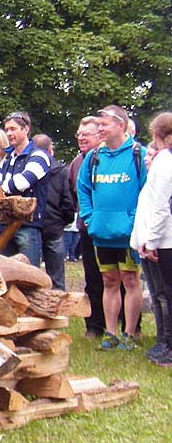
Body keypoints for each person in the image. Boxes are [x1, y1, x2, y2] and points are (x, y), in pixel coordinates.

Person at [77, 105, 146, 350]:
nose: (100, 129)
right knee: (109, 281)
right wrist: (88, 216)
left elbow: (146, 191)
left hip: (128, 234)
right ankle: (110, 333)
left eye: (104, 125)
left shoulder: (138, 154)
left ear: (120, 125)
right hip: (101, 232)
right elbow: (82, 188)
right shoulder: (95, 157)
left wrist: (134, 221)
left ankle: (129, 333)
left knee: (130, 280)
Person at [130, 112, 172, 366]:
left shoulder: (165, 161)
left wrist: (151, 240)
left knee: (165, 294)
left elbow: (160, 205)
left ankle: (168, 344)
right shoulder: (162, 160)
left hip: (163, 239)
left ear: (156, 134)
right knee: (158, 294)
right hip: (158, 237)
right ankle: (163, 340)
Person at [0, 111, 51, 266]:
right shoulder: (7, 158)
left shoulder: (40, 156)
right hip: (3, 223)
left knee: (29, 276)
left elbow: (23, 182)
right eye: (7, 130)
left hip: (27, 225)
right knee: (2, 275)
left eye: (13, 129)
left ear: (26, 129)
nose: (9, 133)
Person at [68, 116, 106, 338]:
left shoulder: (107, 160)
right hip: (86, 229)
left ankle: (125, 325)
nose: (81, 138)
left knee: (118, 278)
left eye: (86, 134)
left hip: (112, 229)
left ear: (99, 136)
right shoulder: (76, 163)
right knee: (92, 279)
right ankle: (94, 325)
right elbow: (72, 195)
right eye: (79, 134)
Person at [32, 134, 74, 290]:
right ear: (51, 150)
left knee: (31, 274)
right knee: (56, 276)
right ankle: (59, 308)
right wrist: (64, 221)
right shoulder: (62, 171)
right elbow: (68, 201)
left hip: (33, 224)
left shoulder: (29, 169)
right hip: (55, 226)